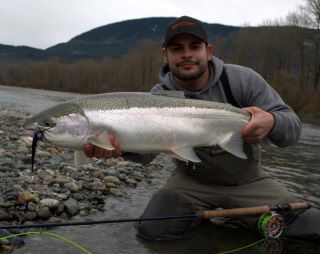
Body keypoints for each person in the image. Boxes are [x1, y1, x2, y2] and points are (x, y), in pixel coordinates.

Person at [84, 16, 320, 243]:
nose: (186, 54)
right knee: (153, 231)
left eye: (194, 46)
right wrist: (119, 148)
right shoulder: (158, 96)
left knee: (310, 227)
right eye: (177, 48)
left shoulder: (243, 80)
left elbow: (293, 130)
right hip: (191, 181)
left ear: (208, 51)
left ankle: (231, 223)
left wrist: (272, 121)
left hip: (248, 181)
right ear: (165, 56)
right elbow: (147, 152)